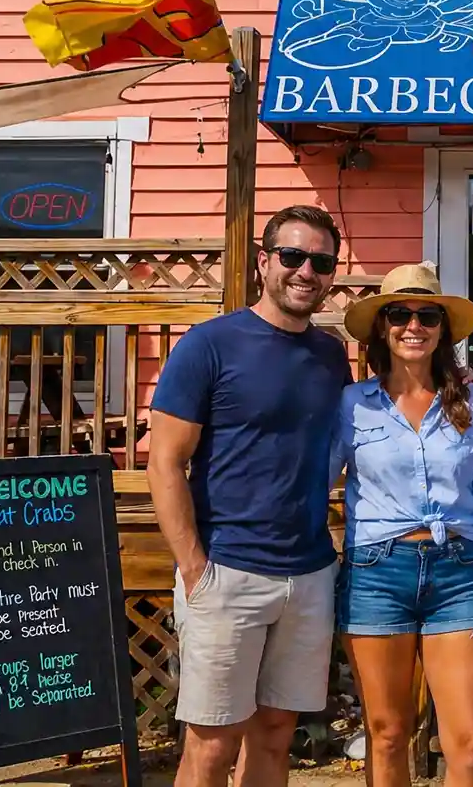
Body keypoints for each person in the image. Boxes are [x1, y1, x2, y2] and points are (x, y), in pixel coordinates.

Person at [148, 204, 349, 787]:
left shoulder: (331, 354)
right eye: (292, 256)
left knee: (276, 735)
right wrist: (193, 568)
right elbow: (164, 462)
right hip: (227, 570)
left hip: (310, 574)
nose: (305, 271)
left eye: (320, 261)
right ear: (264, 262)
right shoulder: (208, 345)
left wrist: (456, 385)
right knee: (210, 745)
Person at [333, 263, 473, 787]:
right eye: (399, 314)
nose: (413, 326)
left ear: (442, 330)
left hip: (456, 574)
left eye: (427, 315)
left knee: (471, 742)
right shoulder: (352, 405)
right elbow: (314, 479)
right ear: (382, 327)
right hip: (376, 572)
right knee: (387, 733)